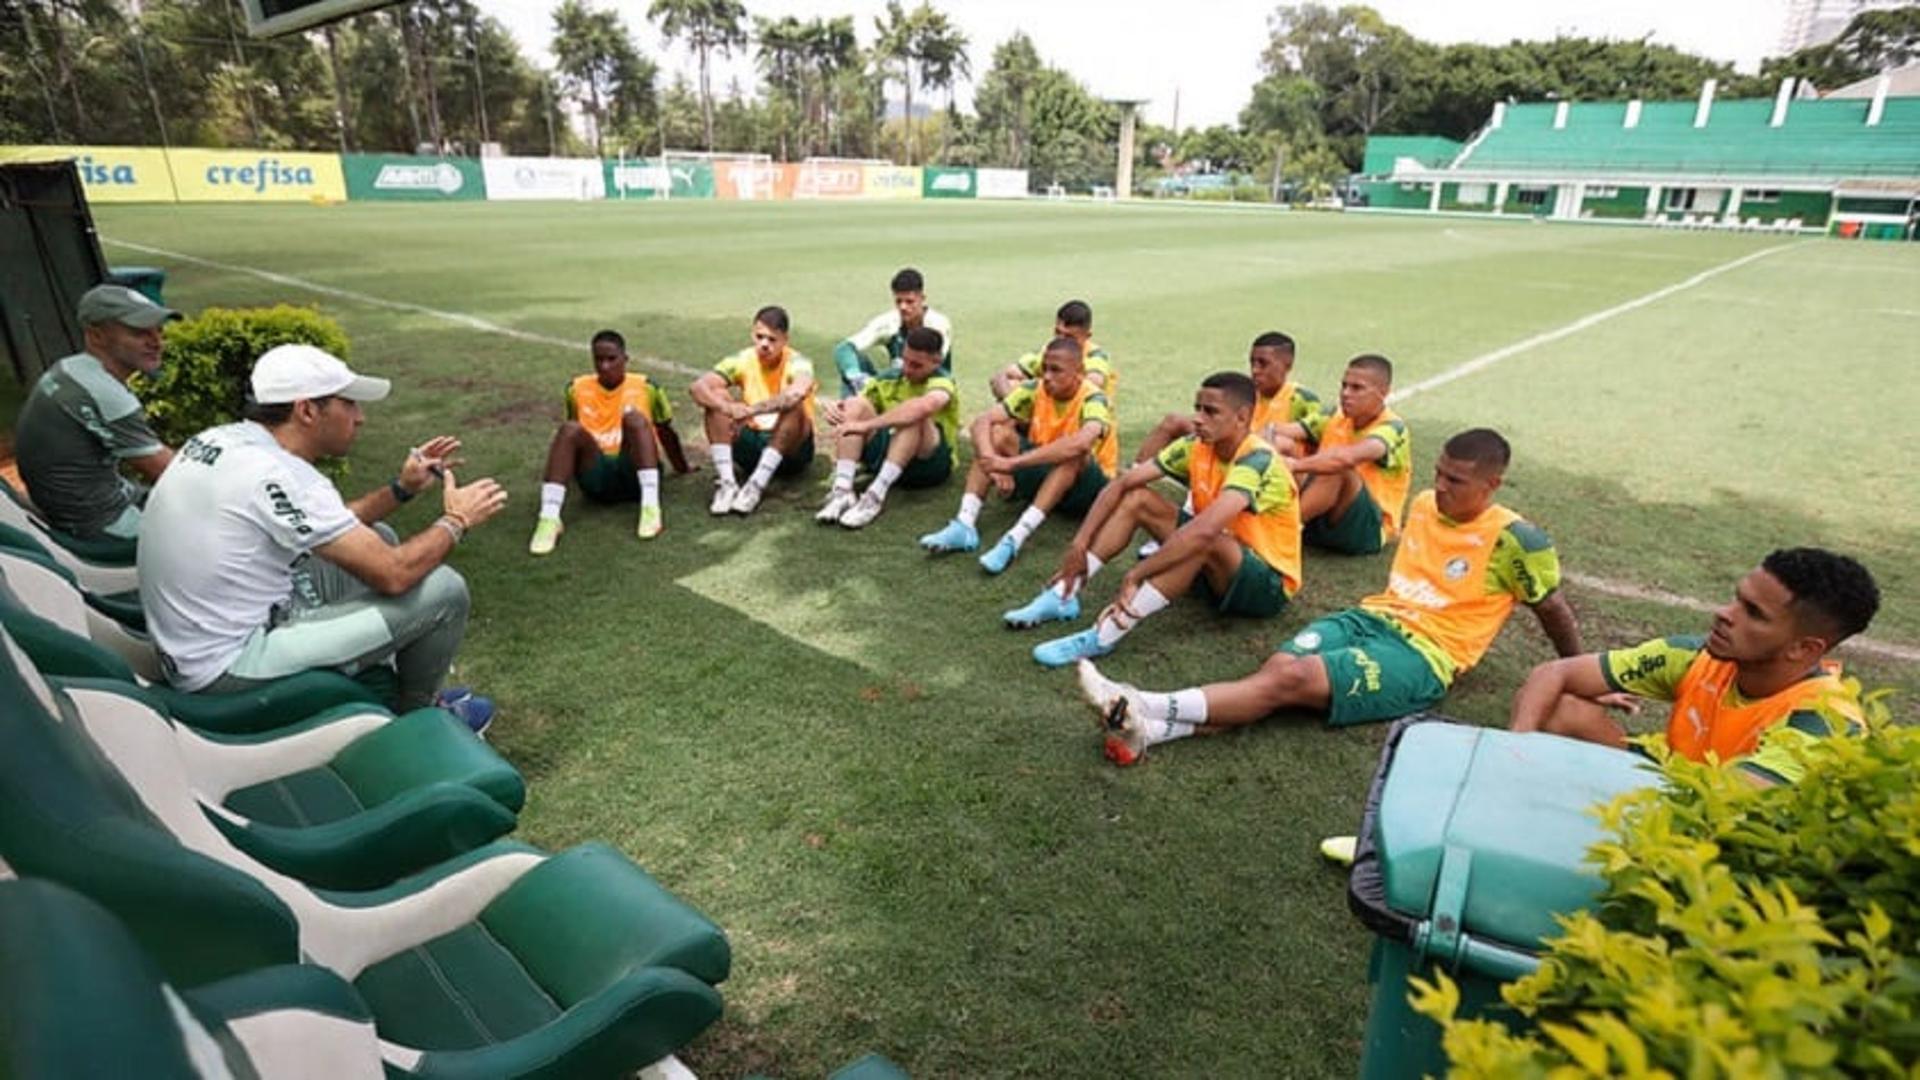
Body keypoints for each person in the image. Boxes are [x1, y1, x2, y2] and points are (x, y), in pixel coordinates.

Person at [1080, 428, 1582, 766]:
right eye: (1439, 473)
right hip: (1369, 619)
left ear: (1492, 484)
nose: (1440, 486)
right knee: (1275, 678)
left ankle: (1139, 701)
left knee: (1289, 680)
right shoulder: (1426, 504)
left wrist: (1581, 676)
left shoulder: (1519, 540)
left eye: (1457, 480)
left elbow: (1552, 609)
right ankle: (1151, 731)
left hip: (1424, 656)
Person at [137, 344, 508, 729]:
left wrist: (402, 488)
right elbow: (394, 573)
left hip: (191, 644)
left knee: (376, 533)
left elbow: (330, 524)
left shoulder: (226, 441)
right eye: (349, 405)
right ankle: (421, 719)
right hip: (226, 668)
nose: (360, 418)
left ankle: (372, 676)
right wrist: (457, 520)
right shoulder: (280, 474)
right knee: (444, 590)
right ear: (307, 410)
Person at [1510, 548, 1879, 785]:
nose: (1724, 614)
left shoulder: (1822, 720)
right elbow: (1552, 673)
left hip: (1718, 834)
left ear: (1803, 648)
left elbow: (1731, 801)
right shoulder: (1697, 657)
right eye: (1737, 599)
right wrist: (1514, 750)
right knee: (1559, 709)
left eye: (1753, 613)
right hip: (1673, 781)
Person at [1010, 372, 1302, 668]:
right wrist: (1079, 545)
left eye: (1210, 411)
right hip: (1214, 565)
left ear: (1241, 418)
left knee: (1204, 537)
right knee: (1138, 498)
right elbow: (1121, 485)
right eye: (1197, 408)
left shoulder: (1258, 460)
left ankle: (1104, 636)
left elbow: (1204, 531)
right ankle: (1064, 594)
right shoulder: (1196, 444)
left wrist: (1137, 574)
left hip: (1266, 586)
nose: (1198, 418)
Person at [921, 336, 1117, 574]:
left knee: (1073, 456)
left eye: (1056, 370)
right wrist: (992, 463)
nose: (1046, 376)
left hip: (1090, 492)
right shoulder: (1035, 388)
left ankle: (1014, 539)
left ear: (1079, 372)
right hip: (1048, 476)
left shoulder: (1094, 397)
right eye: (1044, 368)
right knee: (998, 433)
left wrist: (1011, 464)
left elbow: (1080, 444)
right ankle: (965, 523)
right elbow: (983, 421)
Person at [14, 284, 182, 550]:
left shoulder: (70, 369)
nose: (157, 342)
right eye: (139, 332)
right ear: (96, 336)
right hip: (100, 524)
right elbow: (171, 473)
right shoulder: (103, 393)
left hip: (88, 504)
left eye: (159, 331)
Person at [527, 330, 692, 554]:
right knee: (569, 429)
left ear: (625, 359)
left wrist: (682, 467)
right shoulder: (575, 389)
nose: (605, 366)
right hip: (597, 477)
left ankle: (650, 507)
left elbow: (665, 430)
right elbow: (573, 442)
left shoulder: (647, 386)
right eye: (599, 359)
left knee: (635, 419)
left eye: (611, 359)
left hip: (633, 470)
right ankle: (549, 518)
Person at [816, 326, 960, 529]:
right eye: (906, 360)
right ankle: (842, 491)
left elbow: (924, 407)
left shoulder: (943, 381)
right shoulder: (891, 377)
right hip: (889, 456)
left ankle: (875, 496)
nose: (908, 369)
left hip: (928, 466)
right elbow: (857, 405)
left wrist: (866, 425)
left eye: (916, 365)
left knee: (916, 416)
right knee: (855, 404)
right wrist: (838, 410)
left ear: (936, 361)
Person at [1273, 354, 1410, 556]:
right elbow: (1280, 431)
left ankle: (1283, 530)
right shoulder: (1336, 418)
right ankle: (1261, 518)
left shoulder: (1392, 429)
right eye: (1344, 386)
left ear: (1383, 392)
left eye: (1357, 388)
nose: (1345, 393)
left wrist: (1294, 465)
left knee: (1337, 467)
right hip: (1325, 516)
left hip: (1367, 530)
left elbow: (1347, 458)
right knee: (1281, 444)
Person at [691, 306, 818, 516]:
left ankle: (755, 486)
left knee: (795, 407)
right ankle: (727, 484)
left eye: (772, 339)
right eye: (759, 337)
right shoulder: (742, 359)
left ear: (785, 339)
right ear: (752, 334)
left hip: (792, 450)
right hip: (753, 443)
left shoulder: (799, 362)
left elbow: (795, 394)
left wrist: (751, 411)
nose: (764, 344)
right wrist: (726, 407)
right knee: (716, 396)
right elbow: (698, 387)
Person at [1131, 331, 1325, 466]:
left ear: (1287, 365)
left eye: (1263, 364)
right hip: (1231, 445)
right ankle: (1135, 472)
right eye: (1252, 362)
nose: (1255, 370)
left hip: (1269, 460)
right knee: (1174, 421)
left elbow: (1317, 441)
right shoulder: (1244, 390)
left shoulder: (1302, 399)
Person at [831, 267, 954, 397]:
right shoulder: (889, 322)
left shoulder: (938, 324)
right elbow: (844, 348)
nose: (903, 307)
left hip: (930, 391)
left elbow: (929, 367)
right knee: (852, 366)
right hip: (896, 389)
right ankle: (848, 412)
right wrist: (856, 377)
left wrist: (877, 381)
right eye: (898, 301)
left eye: (909, 301)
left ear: (922, 298)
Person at [989, 300, 1115, 403]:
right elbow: (1002, 375)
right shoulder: (1051, 351)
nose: (1061, 340)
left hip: (1082, 422)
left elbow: (1092, 383)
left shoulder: (1095, 356)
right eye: (1058, 333)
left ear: (1087, 336)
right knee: (1011, 386)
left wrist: (1030, 389)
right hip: (1050, 414)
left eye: (1069, 337)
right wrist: (1013, 395)